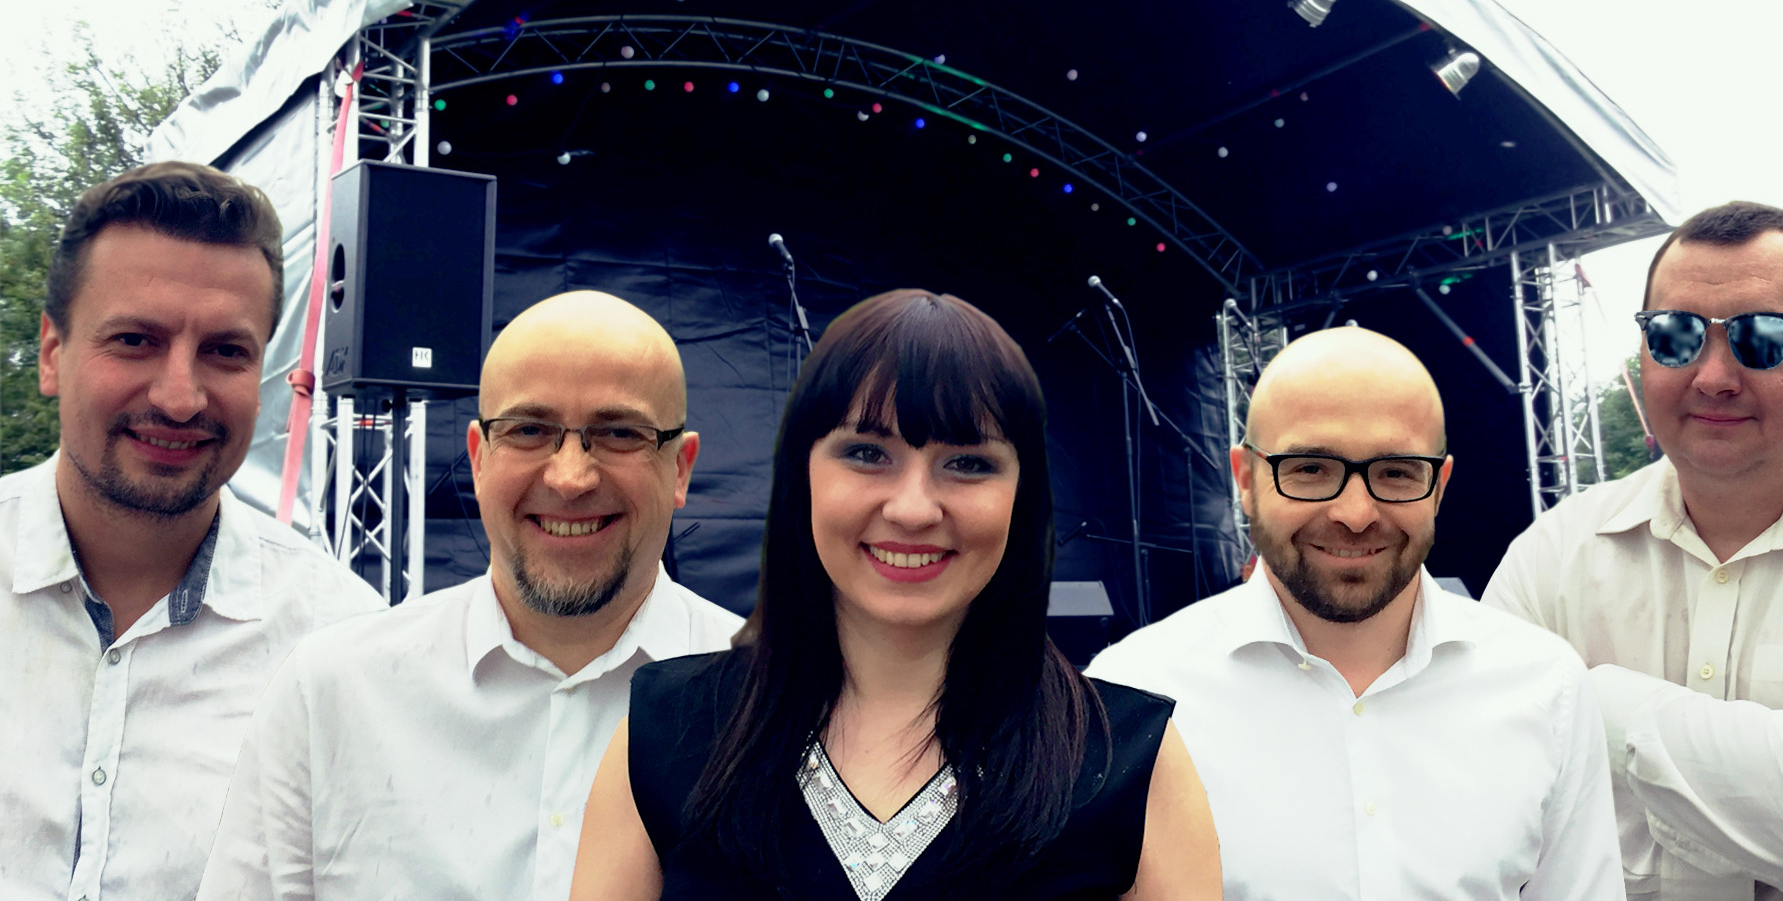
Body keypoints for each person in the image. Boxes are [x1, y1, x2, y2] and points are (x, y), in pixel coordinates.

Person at [570, 289, 1220, 901]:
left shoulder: (1133, 760)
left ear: (1023, 497)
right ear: (802, 476)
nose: (912, 509)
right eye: (866, 453)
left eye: (968, 462)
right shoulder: (664, 732)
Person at [194, 290, 743, 900]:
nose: (569, 478)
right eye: (529, 430)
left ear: (680, 468)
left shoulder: (783, 705)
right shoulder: (331, 695)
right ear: (479, 460)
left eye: (618, 433)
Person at [1086, 326, 1625, 900]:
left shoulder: (1547, 687)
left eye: (1396, 471)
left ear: (1438, 487)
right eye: (1310, 468)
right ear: (1245, 480)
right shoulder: (1130, 696)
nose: (1355, 513)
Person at [1483, 201, 1783, 900]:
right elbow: (1477, 797)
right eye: (1675, 335)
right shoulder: (1555, 552)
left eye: (1763, 336)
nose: (1713, 375)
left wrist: (1583, 704)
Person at [0, 162, 385, 901]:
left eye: (225, 351)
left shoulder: (344, 647)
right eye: (135, 340)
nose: (180, 398)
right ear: (52, 354)